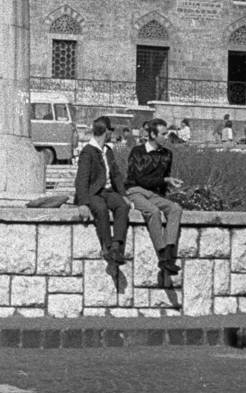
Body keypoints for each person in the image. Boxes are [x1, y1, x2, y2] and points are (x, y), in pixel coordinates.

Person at [126, 119, 185, 286]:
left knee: (175, 209)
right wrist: (165, 179)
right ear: (152, 134)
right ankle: (161, 253)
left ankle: (168, 253)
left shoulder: (167, 154)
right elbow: (139, 178)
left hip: (155, 193)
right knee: (152, 211)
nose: (166, 137)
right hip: (136, 190)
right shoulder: (137, 151)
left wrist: (167, 184)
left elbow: (162, 180)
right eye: (163, 134)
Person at [73, 116, 131, 265]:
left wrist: (123, 195)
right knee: (101, 209)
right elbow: (82, 179)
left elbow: (116, 174)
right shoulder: (88, 151)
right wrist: (83, 202)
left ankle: (116, 247)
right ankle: (107, 247)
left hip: (107, 191)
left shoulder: (108, 150)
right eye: (111, 130)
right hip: (92, 192)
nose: (111, 133)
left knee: (122, 206)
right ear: (107, 131)